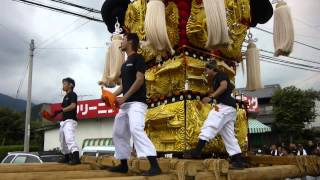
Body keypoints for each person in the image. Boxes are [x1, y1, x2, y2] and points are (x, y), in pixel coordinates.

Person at [110, 33, 161, 176]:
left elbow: (139, 80)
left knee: (136, 129)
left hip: (137, 103)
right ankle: (123, 164)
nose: (121, 41)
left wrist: (124, 97)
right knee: (118, 132)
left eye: (124, 39)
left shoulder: (139, 59)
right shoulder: (125, 64)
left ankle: (155, 166)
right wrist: (110, 96)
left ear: (131, 42)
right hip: (126, 105)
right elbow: (123, 86)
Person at [184, 61, 247, 169]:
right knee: (228, 135)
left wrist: (212, 97)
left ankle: (197, 151)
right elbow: (215, 90)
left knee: (210, 123)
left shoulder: (220, 74)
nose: (206, 72)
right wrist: (206, 94)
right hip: (229, 108)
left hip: (225, 106)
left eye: (206, 69)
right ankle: (238, 160)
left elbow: (223, 86)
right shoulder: (215, 79)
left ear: (213, 69)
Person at [52, 77, 80, 165]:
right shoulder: (65, 96)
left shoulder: (73, 94)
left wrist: (61, 110)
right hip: (64, 121)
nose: (63, 86)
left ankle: (76, 157)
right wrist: (54, 115)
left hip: (70, 121)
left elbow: (73, 106)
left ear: (71, 85)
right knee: (62, 140)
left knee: (69, 138)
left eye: (64, 83)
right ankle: (67, 156)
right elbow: (64, 109)